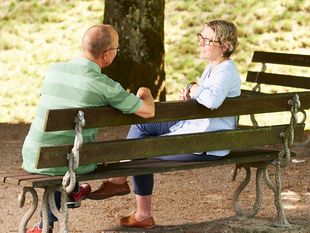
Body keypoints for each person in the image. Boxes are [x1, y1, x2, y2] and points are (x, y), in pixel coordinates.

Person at [87, 19, 241, 229]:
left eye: (207, 40)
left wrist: (195, 88)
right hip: (196, 130)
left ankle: (136, 206)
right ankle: (122, 186)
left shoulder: (226, 70)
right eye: (201, 37)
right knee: (141, 127)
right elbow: (210, 102)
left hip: (207, 143)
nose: (201, 43)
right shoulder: (213, 67)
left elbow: (213, 101)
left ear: (225, 46)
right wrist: (192, 98)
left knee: (140, 148)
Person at [23, 24, 155, 233]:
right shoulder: (104, 85)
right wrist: (145, 91)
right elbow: (148, 111)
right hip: (75, 163)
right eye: (116, 49)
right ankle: (71, 191)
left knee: (62, 151)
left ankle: (50, 217)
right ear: (107, 54)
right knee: (71, 158)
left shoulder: (54, 70)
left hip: (34, 156)